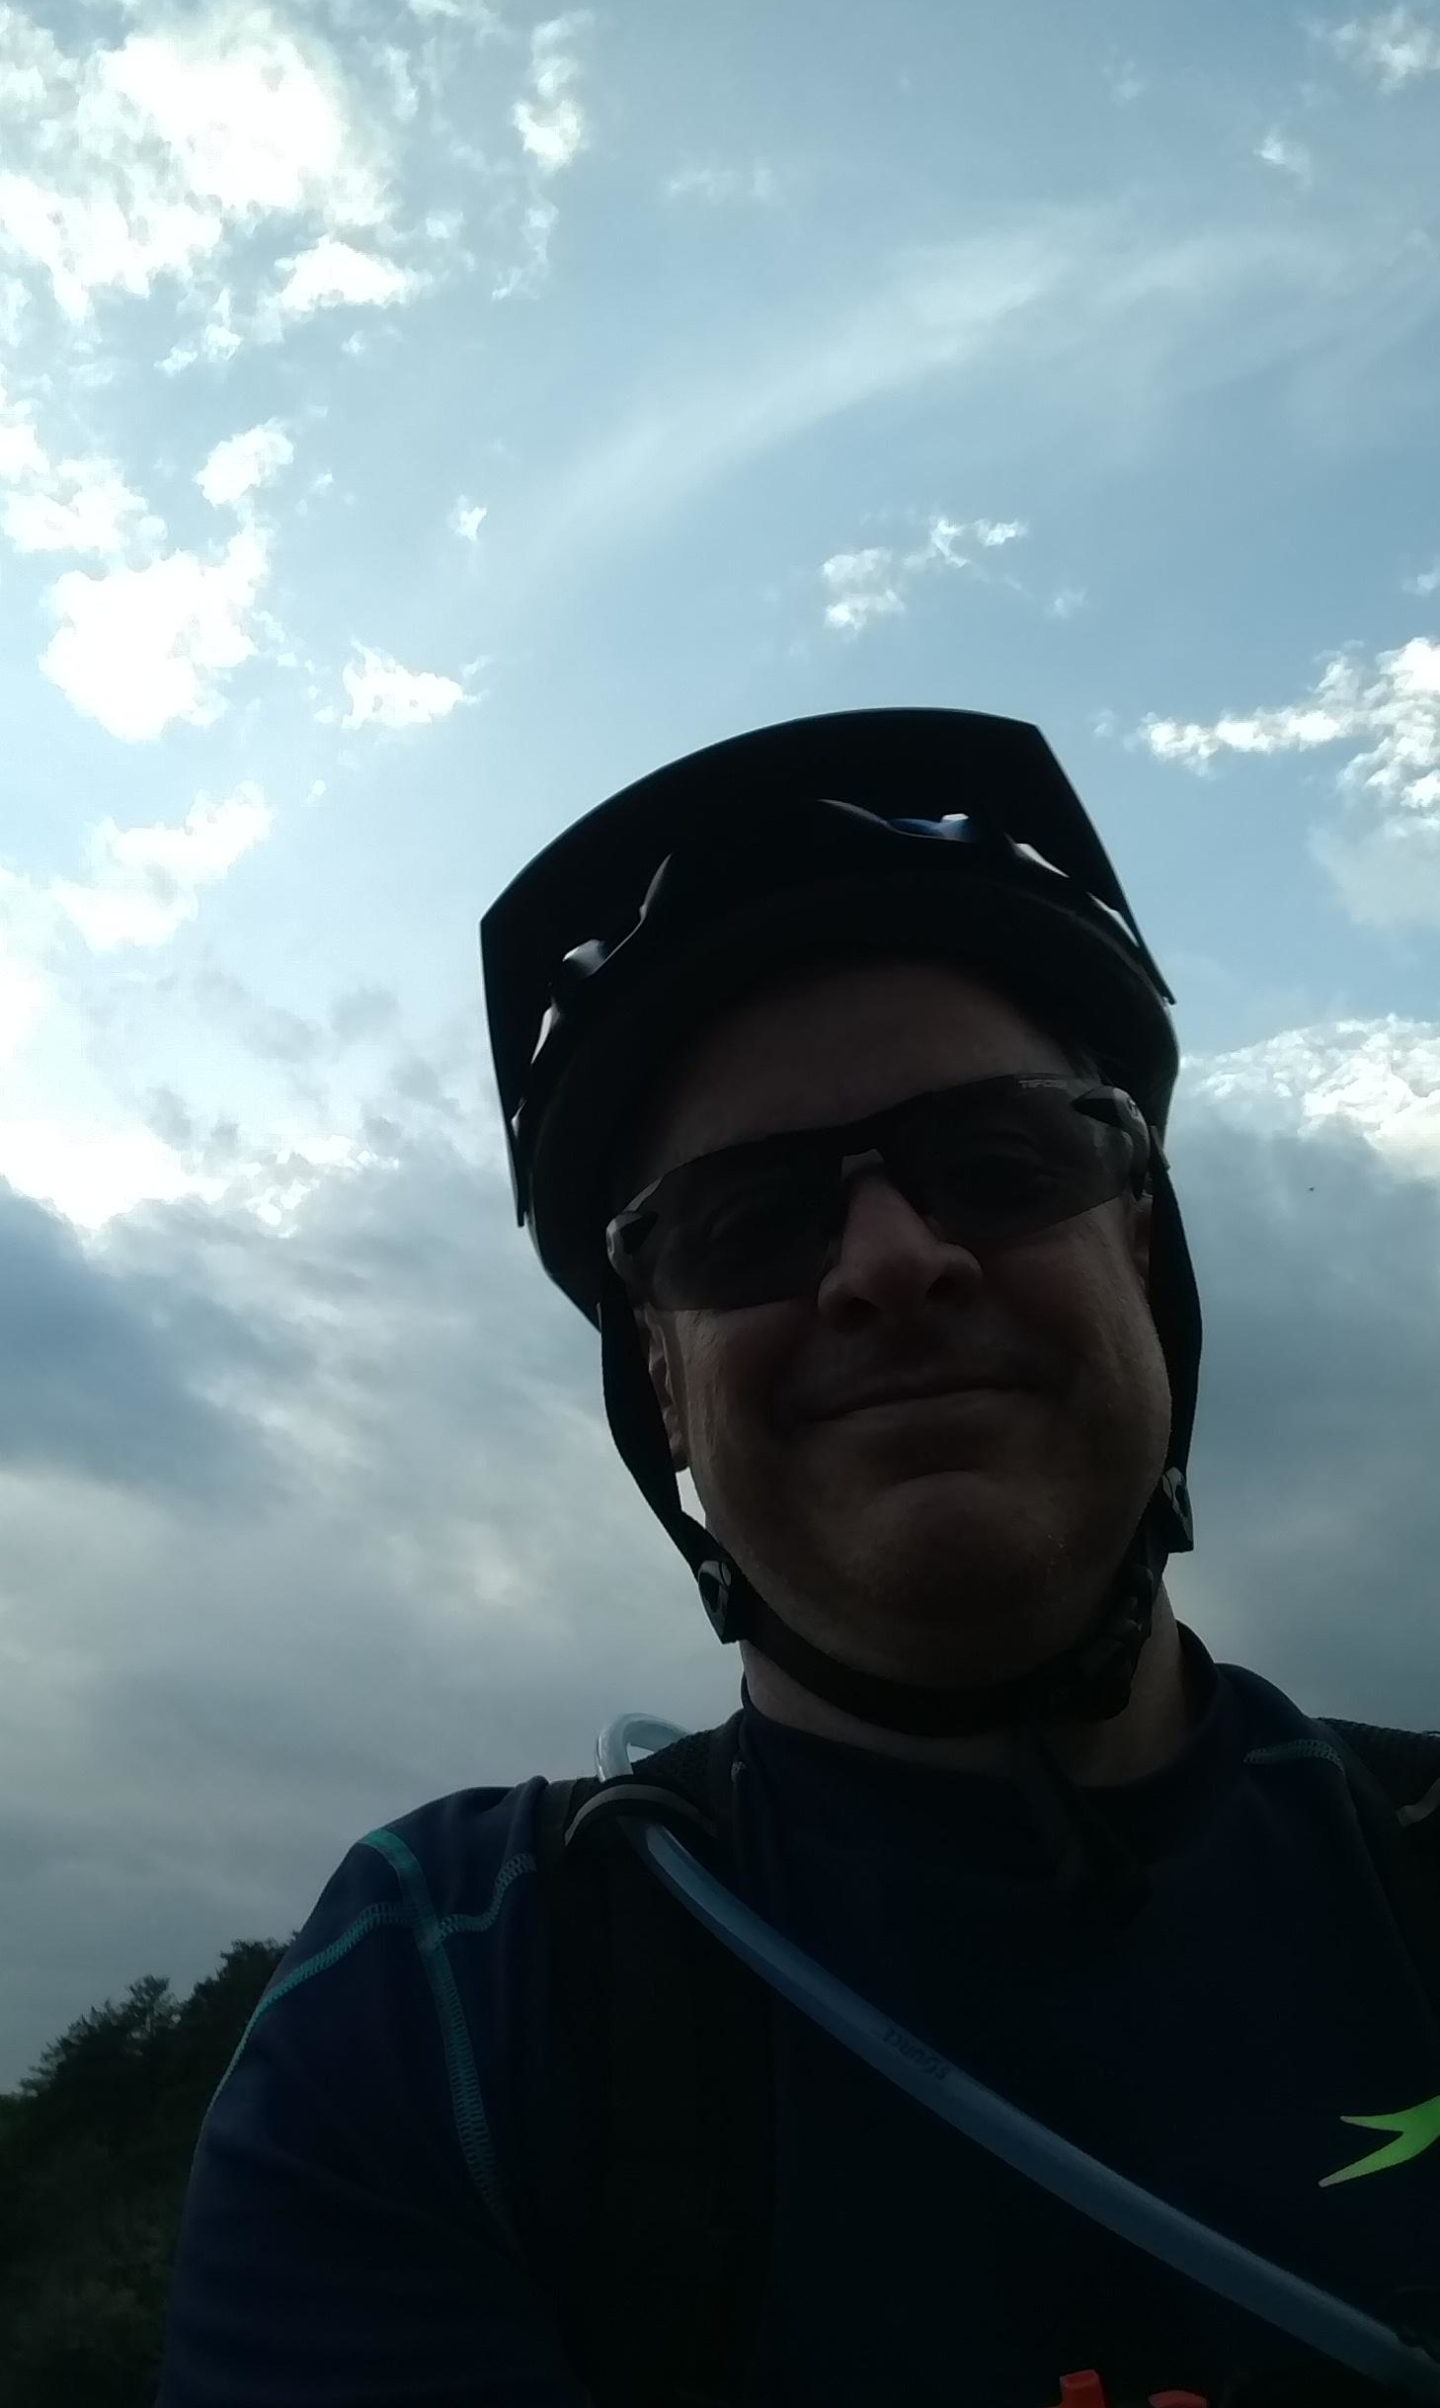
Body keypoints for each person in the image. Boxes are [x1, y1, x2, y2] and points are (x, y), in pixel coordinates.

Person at [155, 708, 1440, 2408]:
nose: (892, 1262)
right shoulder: (448, 1999)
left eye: (999, 1160)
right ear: (664, 1381)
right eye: (748, 1222)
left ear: (1142, 1247)